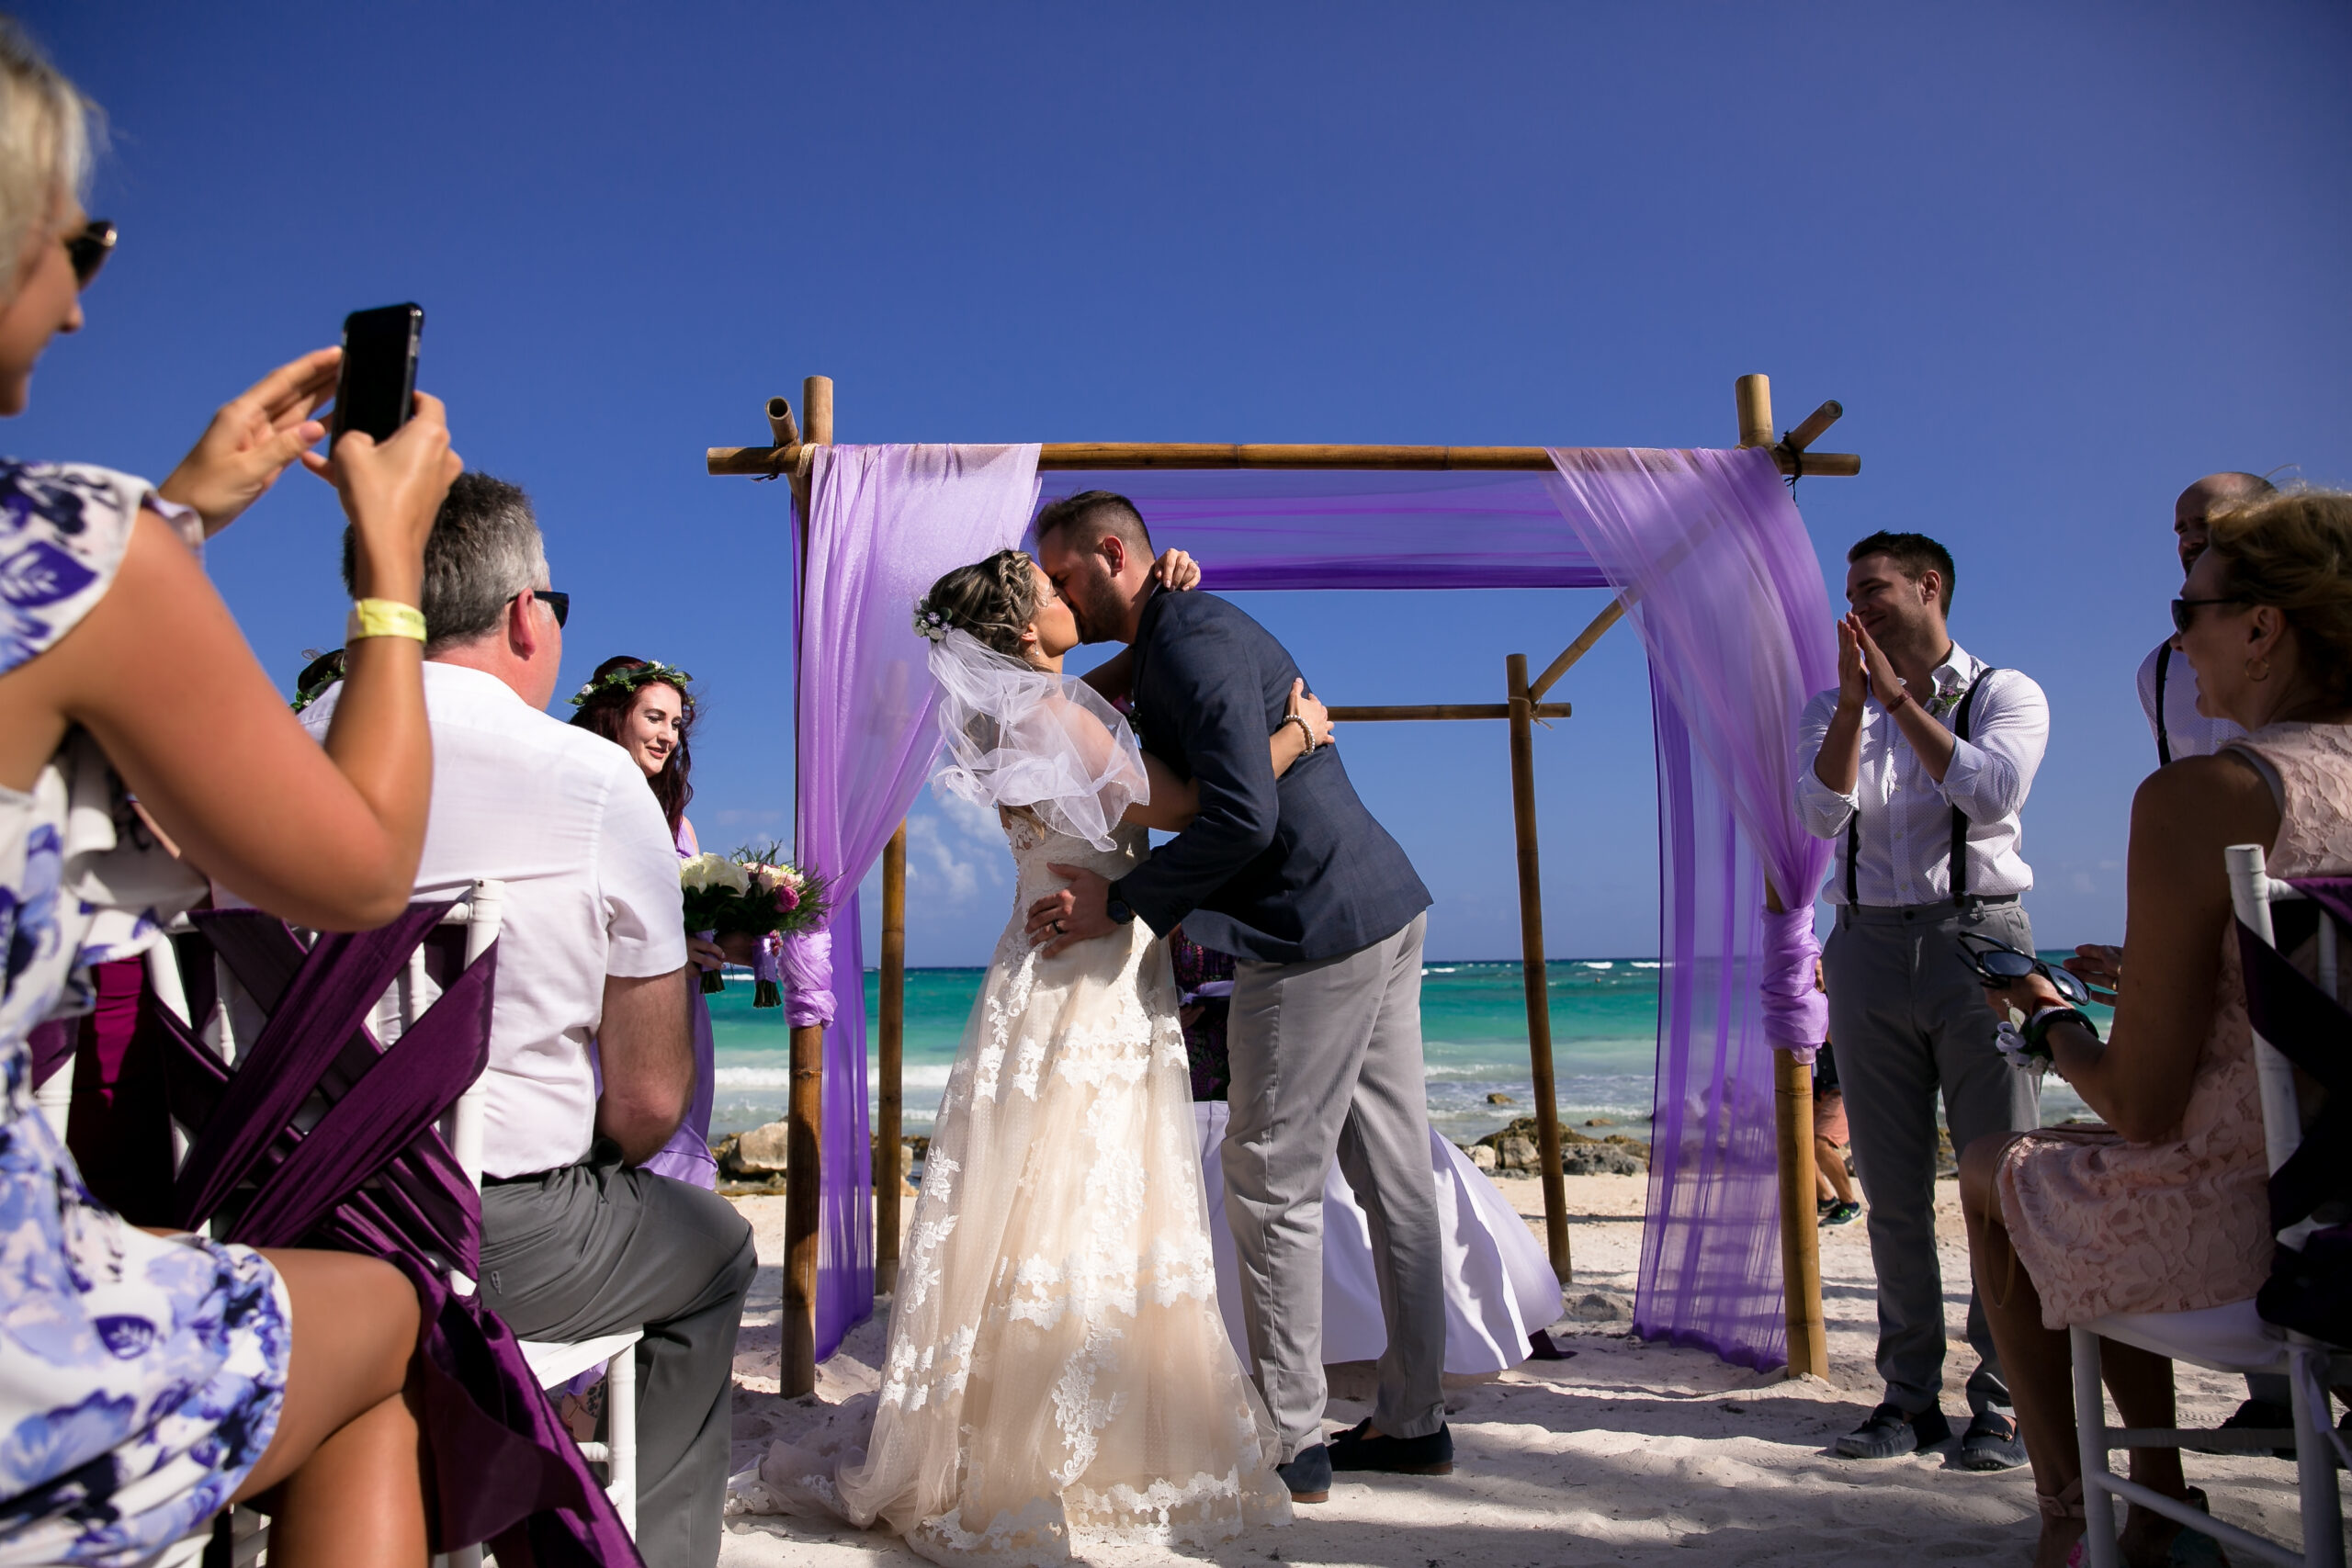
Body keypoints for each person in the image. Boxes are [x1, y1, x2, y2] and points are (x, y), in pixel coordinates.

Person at [0, 22, 462, 1563]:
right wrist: (385, 568)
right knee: (379, 1329)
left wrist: (183, 514)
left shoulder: (90, 554)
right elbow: (357, 870)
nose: (77, 303)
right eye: (81, 241)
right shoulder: (65, 546)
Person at [763, 545, 1327, 1562]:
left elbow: (1094, 697)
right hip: (1087, 969)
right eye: (1049, 591)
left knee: (1046, 1192)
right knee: (1086, 1186)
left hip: (1053, 960)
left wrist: (1156, 608)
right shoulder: (1050, 717)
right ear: (1024, 630)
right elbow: (1188, 808)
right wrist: (1295, 732)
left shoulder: (1029, 707)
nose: (1068, 598)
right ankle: (1066, 1441)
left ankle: (1029, 1415)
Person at [300, 474, 754, 1568]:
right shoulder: (593, 782)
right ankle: (652, 1549)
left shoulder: (276, 751)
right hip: (485, 1235)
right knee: (717, 1248)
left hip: (286, 1223)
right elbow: (648, 1102)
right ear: (522, 615)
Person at [1027, 491, 1448, 1500]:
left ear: (1111, 554)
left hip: (1308, 926)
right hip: (1376, 901)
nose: (1056, 593)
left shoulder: (1193, 643)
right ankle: (1414, 1421)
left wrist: (1123, 904)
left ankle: (1294, 1440)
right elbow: (1118, 686)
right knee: (1394, 1176)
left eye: (1063, 575)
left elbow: (1241, 819)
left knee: (1268, 1181)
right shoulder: (1179, 628)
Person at [1960, 487, 2352, 1568]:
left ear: (2262, 628)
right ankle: (2142, 1499)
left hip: (2266, 1228)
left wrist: (2046, 1022)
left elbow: (2141, 1104)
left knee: (1997, 1165)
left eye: (2190, 613)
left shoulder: (2209, 795)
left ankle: (2087, 1518)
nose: (2181, 642)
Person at [1796, 529, 2051, 1470]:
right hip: (1863, 943)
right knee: (1895, 1194)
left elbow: (1987, 795)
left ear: (1928, 587)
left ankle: (2004, 1399)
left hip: (1977, 939)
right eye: (1851, 590)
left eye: (1872, 588)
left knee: (2000, 1181)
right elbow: (1817, 815)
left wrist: (1899, 702)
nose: (1854, 606)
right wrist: (1856, 709)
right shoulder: (1833, 707)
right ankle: (1907, 1397)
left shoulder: (2004, 693)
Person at [2079, 470, 2296, 1443]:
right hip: (2223, 944)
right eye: (2177, 531)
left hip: (2276, 959)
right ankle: (2275, 1397)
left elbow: (2138, 1102)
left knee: (2019, 1176)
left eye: (2206, 530)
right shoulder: (2158, 676)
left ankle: (2136, 1499)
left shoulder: (2227, 778)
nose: (2185, 542)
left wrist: (2049, 1026)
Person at [571, 654, 723, 1189]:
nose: (669, 737)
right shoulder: (580, 804)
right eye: (654, 718)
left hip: (681, 1013)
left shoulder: (679, 825)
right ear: (614, 715)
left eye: (676, 724)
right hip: (614, 1011)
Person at [1813, 1042, 1860, 1225]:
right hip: (1821, 1088)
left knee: (1820, 1145)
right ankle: (1825, 1199)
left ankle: (1850, 1204)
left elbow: (1839, 1039)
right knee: (1796, 1144)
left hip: (1844, 1090)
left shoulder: (1841, 1015)